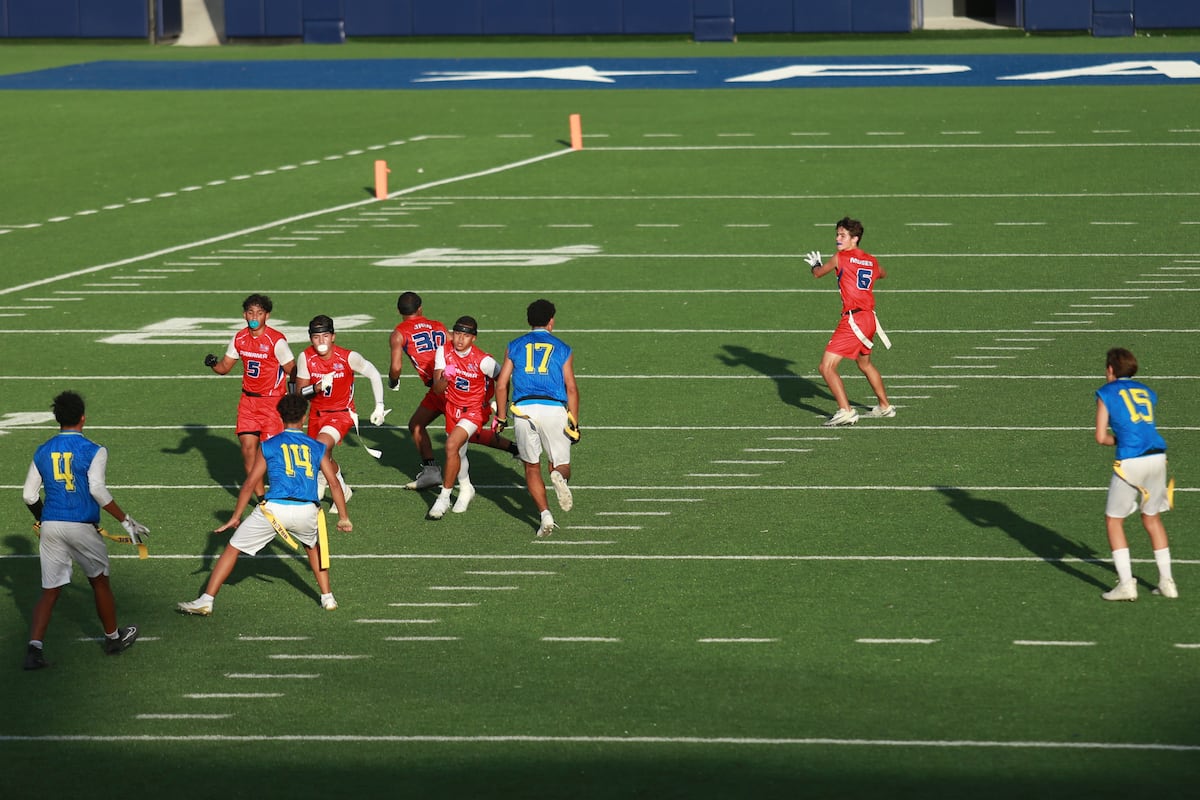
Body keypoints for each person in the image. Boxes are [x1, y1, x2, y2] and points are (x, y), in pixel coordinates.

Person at [178, 394, 352, 616]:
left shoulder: (270, 444)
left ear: (280, 416)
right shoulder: (317, 447)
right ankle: (328, 597)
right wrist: (343, 517)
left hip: (274, 511)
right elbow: (334, 483)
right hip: (307, 510)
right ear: (305, 416)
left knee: (232, 548)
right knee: (312, 548)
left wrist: (235, 516)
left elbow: (251, 482)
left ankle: (206, 599)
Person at [21, 391, 146, 669]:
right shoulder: (94, 449)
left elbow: (29, 495)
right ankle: (113, 638)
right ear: (82, 418)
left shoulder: (43, 450)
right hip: (81, 526)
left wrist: (43, 518)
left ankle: (34, 649)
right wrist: (127, 521)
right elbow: (97, 490)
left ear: (57, 419)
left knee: (50, 591)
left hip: (52, 525)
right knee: (99, 581)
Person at [388, 291, 517, 490]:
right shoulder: (438, 325)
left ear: (398, 311)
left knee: (451, 434)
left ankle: (444, 484)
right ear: (420, 308)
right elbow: (460, 349)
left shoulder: (399, 332)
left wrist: (393, 382)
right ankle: (432, 471)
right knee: (426, 426)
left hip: (444, 388)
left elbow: (396, 368)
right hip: (448, 386)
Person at [1094, 347, 1177, 601]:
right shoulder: (1146, 391)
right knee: (1152, 518)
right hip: (1157, 456)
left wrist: (1118, 439)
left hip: (1131, 460)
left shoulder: (1106, 392)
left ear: (1110, 370)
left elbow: (1100, 437)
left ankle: (1127, 584)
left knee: (1113, 520)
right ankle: (1167, 582)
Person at [493, 299, 580, 538]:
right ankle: (559, 477)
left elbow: (501, 385)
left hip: (524, 409)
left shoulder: (515, 345)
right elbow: (571, 388)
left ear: (528, 321)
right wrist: (574, 420)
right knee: (561, 464)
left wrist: (501, 417)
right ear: (551, 320)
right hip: (553, 409)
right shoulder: (562, 348)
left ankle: (545, 515)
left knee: (531, 467)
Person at [804, 217, 895, 427]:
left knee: (826, 367)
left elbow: (818, 274)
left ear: (854, 238)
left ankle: (845, 411)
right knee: (865, 364)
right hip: (870, 318)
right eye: (837, 234)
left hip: (854, 320)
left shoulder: (840, 257)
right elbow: (882, 273)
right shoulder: (870, 260)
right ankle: (885, 407)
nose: (838, 238)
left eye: (842, 235)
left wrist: (815, 265)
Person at [204, 294, 296, 495]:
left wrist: (294, 396)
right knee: (247, 451)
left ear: (267, 316)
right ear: (245, 315)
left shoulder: (276, 341)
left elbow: (293, 370)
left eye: (259, 313)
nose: (255, 316)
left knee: (273, 454)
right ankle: (263, 501)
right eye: (251, 312)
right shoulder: (240, 338)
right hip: (248, 402)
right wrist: (212, 364)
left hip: (272, 404)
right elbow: (224, 368)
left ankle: (284, 492)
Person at [295, 314, 388, 503]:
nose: (321, 341)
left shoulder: (348, 357)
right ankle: (338, 487)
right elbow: (300, 393)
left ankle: (332, 487)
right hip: (317, 413)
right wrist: (316, 387)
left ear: (333, 336)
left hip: (341, 413)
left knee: (320, 448)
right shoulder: (306, 357)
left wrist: (379, 406)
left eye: (325, 336)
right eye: (316, 337)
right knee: (321, 455)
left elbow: (374, 374)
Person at [425, 316, 503, 520]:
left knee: (451, 445)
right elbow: (437, 388)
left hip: (475, 410)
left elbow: (503, 380)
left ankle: (444, 497)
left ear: (473, 338)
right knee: (458, 452)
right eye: (457, 334)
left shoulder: (484, 361)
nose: (460, 339)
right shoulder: (444, 351)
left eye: (466, 335)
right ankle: (467, 488)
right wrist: (446, 377)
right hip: (453, 407)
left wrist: (501, 409)